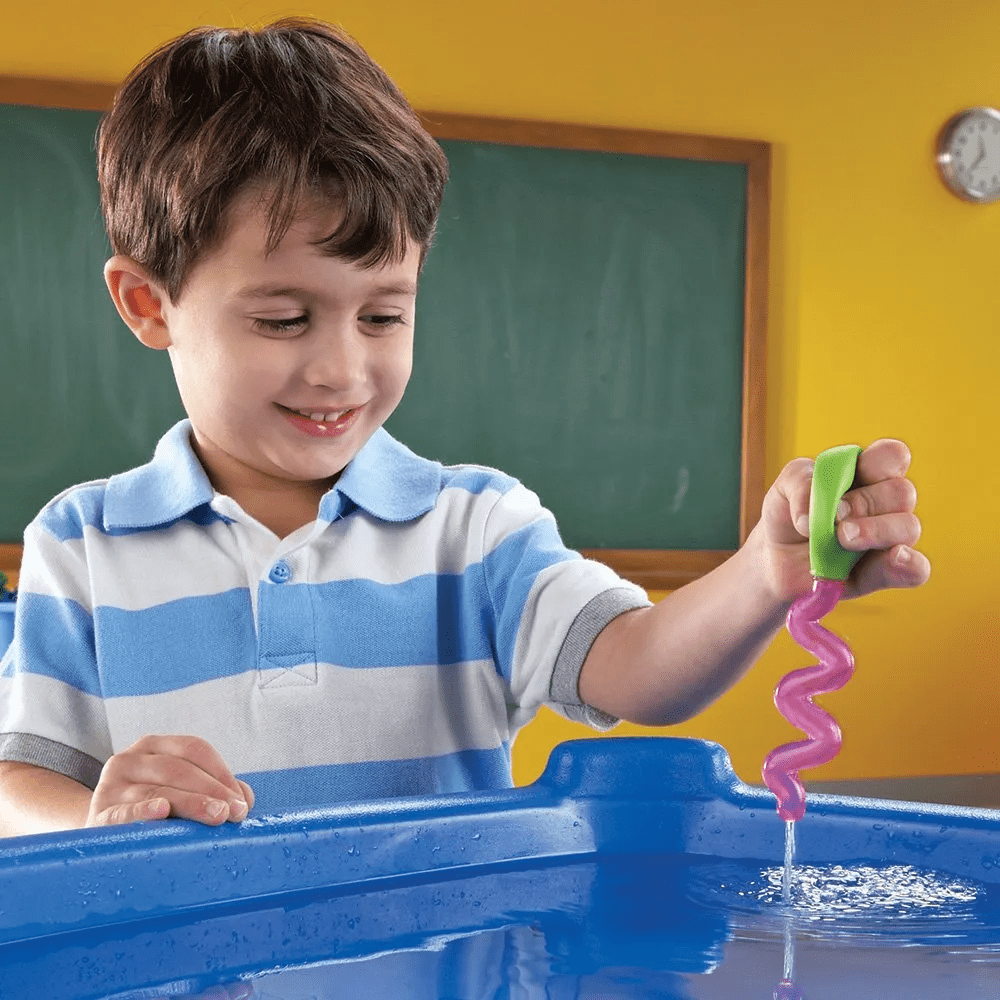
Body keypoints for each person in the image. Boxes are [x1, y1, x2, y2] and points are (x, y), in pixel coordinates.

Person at [0, 18, 929, 836]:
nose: (341, 369)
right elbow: (17, 785)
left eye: (383, 315)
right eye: (282, 319)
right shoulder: (82, 545)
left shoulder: (476, 530)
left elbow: (638, 667)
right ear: (147, 303)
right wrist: (96, 817)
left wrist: (763, 574)